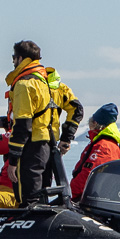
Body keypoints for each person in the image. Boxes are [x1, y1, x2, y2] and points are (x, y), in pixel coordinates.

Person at [3, 40, 62, 204]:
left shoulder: (24, 84)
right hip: (44, 145)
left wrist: (13, 160)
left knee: (28, 197)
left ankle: (29, 216)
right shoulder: (43, 81)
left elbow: (23, 124)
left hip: (31, 146)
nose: (13, 62)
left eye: (14, 58)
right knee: (41, 194)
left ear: (21, 59)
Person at [44, 67, 86, 195]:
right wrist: (66, 139)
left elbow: (77, 110)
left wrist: (66, 138)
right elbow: (77, 109)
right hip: (46, 143)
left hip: (38, 143)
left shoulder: (27, 84)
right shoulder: (59, 88)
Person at [69, 103, 120, 199]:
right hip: (94, 195)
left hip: (92, 196)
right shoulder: (103, 143)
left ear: (96, 123)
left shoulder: (103, 146)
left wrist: (70, 194)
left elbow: (88, 175)